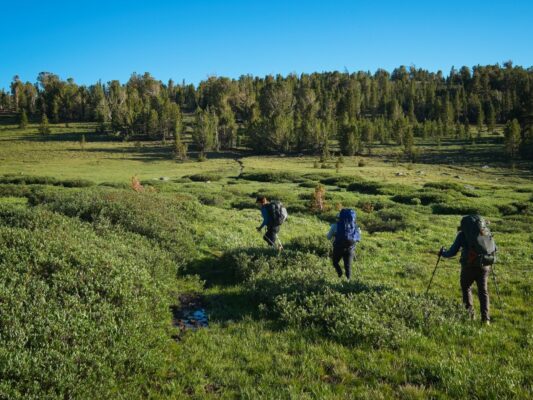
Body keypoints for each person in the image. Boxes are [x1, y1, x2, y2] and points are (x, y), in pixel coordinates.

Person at [440, 215, 496, 325]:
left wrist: (442, 253)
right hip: (484, 265)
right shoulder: (485, 232)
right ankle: (486, 320)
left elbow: (452, 252)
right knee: (483, 291)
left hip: (468, 266)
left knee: (466, 288)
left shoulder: (462, 235)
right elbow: (494, 248)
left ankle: (470, 316)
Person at [327, 209, 361, 280]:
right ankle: (348, 282)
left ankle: (340, 274)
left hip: (338, 247)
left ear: (339, 218)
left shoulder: (334, 226)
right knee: (348, 266)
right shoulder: (355, 226)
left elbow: (328, 237)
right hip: (350, 248)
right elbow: (358, 236)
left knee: (335, 262)